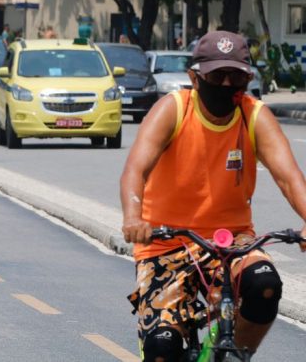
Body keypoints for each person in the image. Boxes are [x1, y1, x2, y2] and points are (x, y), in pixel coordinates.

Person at [120, 31, 306, 361]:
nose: (226, 84)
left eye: (236, 76)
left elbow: (290, 180)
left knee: (265, 284)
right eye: (217, 75)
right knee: (162, 347)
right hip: (166, 243)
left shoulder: (254, 115)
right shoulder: (173, 109)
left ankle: (235, 355)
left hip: (233, 242)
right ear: (195, 77)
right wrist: (134, 218)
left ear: (248, 78)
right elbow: (135, 170)